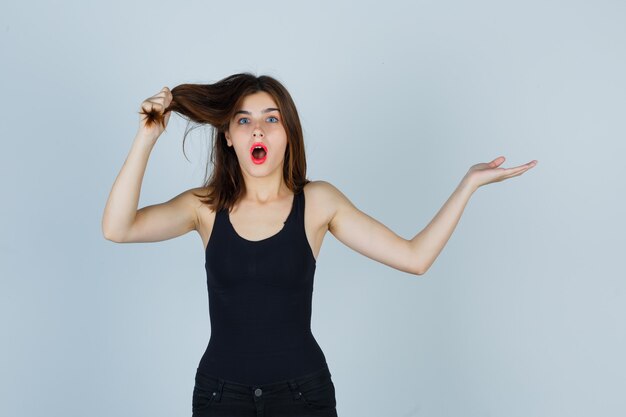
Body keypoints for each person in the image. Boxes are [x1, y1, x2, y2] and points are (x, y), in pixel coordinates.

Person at [101, 73, 537, 417]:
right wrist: (147, 136)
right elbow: (117, 228)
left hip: (302, 397)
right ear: (229, 137)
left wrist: (468, 185)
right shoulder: (204, 206)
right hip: (220, 397)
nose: (259, 130)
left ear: (288, 133)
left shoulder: (318, 202)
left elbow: (415, 257)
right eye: (244, 120)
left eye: (272, 119)